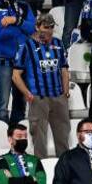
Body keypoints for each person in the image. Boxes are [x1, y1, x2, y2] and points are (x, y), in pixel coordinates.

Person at [13, 12, 70, 159]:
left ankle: (65, 170)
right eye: (45, 27)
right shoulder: (26, 46)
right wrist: (27, 93)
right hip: (39, 98)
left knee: (63, 138)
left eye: (51, 27)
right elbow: (15, 75)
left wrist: (66, 91)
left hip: (58, 97)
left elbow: (64, 69)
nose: (49, 31)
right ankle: (41, 172)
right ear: (37, 27)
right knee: (39, 139)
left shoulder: (58, 43)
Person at [0, 0, 37, 124]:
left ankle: (17, 135)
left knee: (20, 103)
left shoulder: (25, 6)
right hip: (3, 60)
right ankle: (4, 138)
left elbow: (33, 29)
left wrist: (14, 20)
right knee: (2, 104)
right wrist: (21, 27)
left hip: (22, 61)